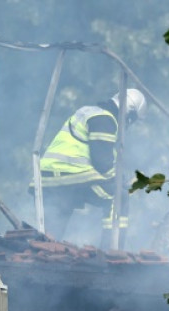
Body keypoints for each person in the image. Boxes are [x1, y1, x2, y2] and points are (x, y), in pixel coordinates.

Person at [34, 88, 147, 242]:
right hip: (70, 176)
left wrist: (122, 179)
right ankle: (111, 250)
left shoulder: (92, 113)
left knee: (52, 231)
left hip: (49, 177)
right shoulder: (105, 120)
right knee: (119, 196)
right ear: (129, 113)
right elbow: (103, 164)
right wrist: (123, 183)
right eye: (132, 120)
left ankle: (43, 247)